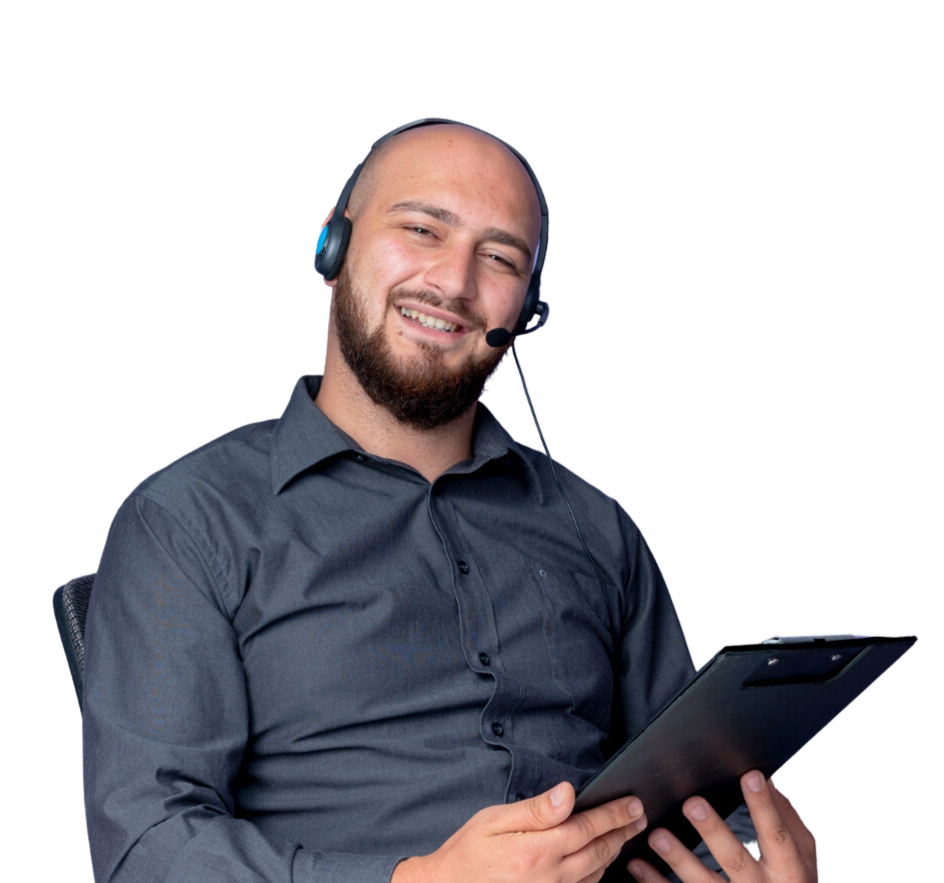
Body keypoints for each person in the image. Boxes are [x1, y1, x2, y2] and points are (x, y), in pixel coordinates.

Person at [80, 119, 818, 883]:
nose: (455, 283)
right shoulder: (187, 519)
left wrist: (750, 860)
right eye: (422, 229)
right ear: (332, 245)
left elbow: (700, 787)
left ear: (528, 307)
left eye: (499, 257)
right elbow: (147, 848)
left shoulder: (598, 527)